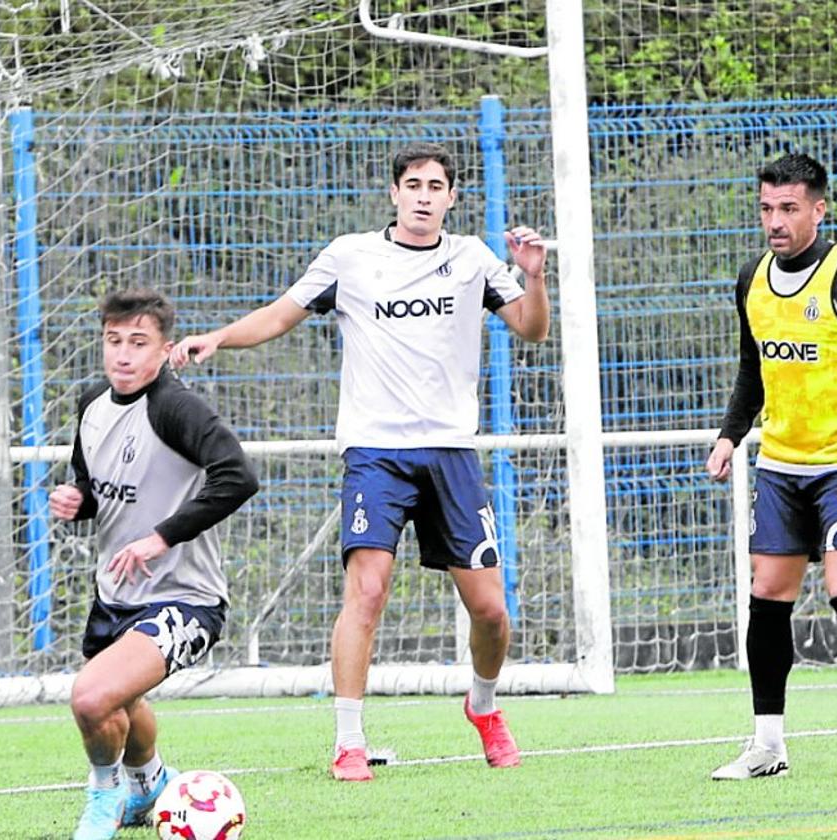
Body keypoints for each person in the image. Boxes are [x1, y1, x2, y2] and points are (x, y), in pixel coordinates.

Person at [170, 142, 549, 782]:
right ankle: (348, 740)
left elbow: (532, 329)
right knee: (366, 591)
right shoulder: (351, 257)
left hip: (452, 453)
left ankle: (483, 708)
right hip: (374, 453)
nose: (424, 195)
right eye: (413, 184)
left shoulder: (474, 260)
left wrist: (534, 275)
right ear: (394, 194)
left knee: (489, 610)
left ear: (452, 198)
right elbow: (281, 313)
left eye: (436, 186)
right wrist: (218, 337)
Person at [705, 153, 837, 780]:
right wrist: (730, 435)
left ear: (818, 210)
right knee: (767, 596)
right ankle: (767, 746)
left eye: (789, 208)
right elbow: (755, 366)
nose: (775, 221)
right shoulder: (752, 278)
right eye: (767, 208)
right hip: (779, 467)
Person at [51, 288, 259, 840]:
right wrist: (78, 501)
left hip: (185, 599)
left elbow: (238, 477)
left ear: (165, 350)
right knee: (118, 701)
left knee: (92, 696)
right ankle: (148, 783)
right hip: (116, 594)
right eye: (113, 341)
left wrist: (160, 539)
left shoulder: (175, 407)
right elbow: (94, 486)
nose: (123, 355)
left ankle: (104, 794)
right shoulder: (92, 403)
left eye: (138, 343)